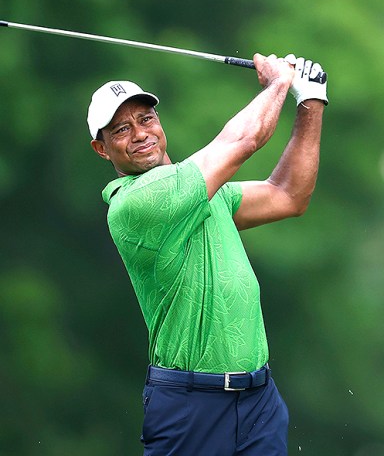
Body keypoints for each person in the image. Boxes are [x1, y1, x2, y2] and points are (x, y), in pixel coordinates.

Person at [87, 53, 328, 456]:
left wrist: (311, 102)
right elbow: (243, 141)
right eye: (121, 130)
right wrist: (279, 84)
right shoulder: (136, 203)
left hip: (259, 399)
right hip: (191, 404)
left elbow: (288, 195)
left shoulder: (203, 191)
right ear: (102, 148)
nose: (140, 134)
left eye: (146, 119)